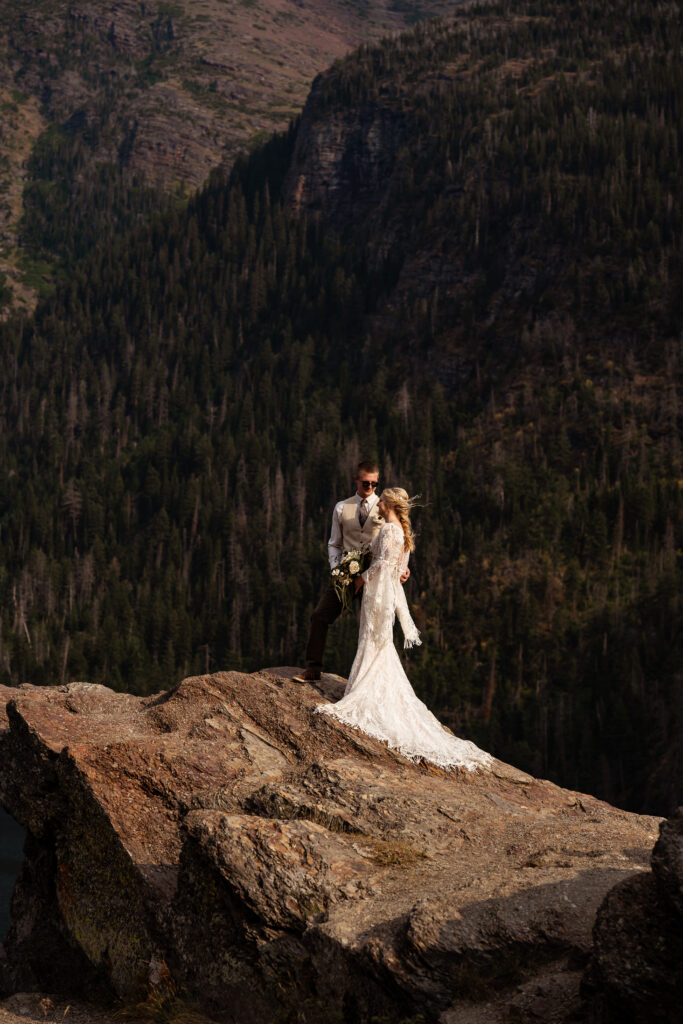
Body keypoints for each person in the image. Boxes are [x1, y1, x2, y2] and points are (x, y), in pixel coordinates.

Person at [315, 488, 492, 771]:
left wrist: (359, 580)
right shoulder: (402, 534)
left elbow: (384, 565)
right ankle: (364, 684)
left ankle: (363, 689)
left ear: (389, 505)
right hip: (387, 593)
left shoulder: (388, 530)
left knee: (372, 638)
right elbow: (400, 569)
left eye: (382, 500)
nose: (379, 503)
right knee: (378, 640)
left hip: (377, 593)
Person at [296, 461, 409, 683]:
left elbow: (401, 535)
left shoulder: (384, 505)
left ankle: (373, 681)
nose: (370, 487)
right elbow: (334, 542)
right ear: (356, 479)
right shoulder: (341, 507)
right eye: (366, 482)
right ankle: (313, 669)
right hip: (347, 573)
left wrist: (402, 568)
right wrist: (336, 569)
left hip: (374, 577)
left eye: (374, 483)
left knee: (374, 628)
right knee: (320, 616)